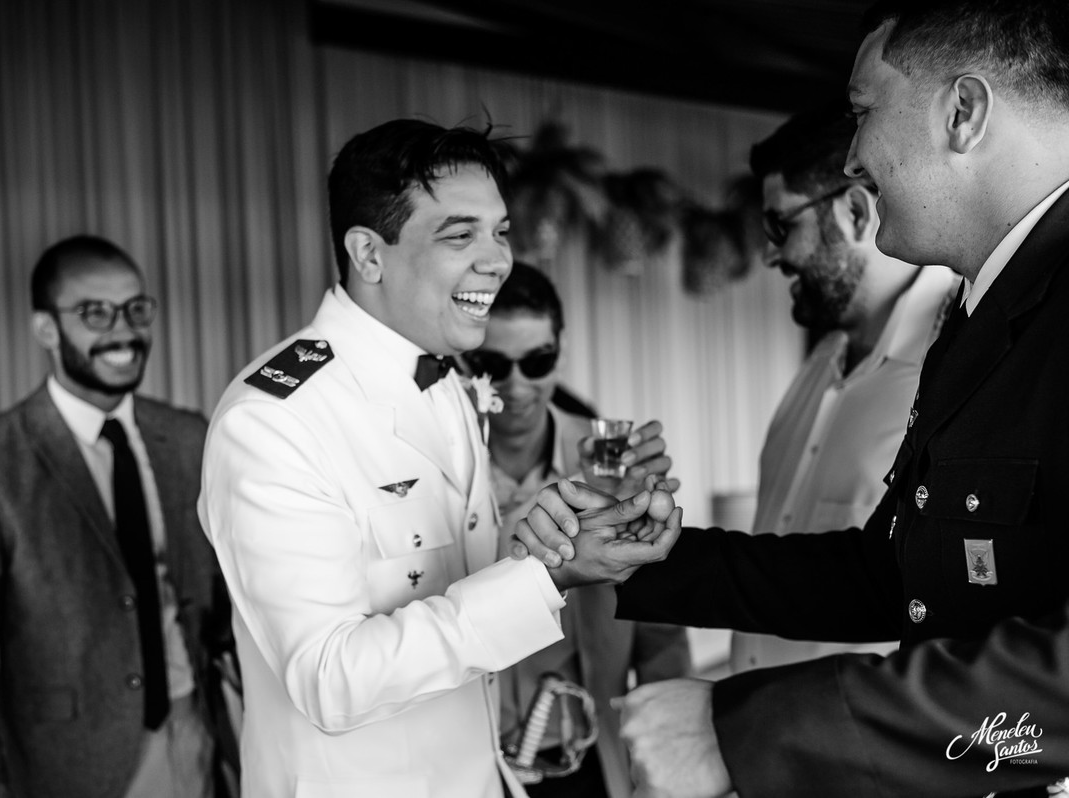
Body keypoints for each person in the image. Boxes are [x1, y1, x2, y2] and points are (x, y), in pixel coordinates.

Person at [512, 1, 1069, 795]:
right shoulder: (981, 312)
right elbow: (895, 576)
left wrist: (747, 730)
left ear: (964, 113)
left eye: (862, 113)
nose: (852, 159)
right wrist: (660, 554)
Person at [197, 119, 676, 798]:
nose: (498, 260)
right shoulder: (274, 421)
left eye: (501, 231)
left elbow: (459, 569)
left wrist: (573, 521)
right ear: (369, 254)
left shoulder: (447, 384)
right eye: (460, 235)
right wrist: (546, 576)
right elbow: (330, 678)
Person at [0, 235, 230, 798]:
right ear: (46, 329)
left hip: (196, 740)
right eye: (95, 312)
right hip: (69, 766)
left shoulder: (189, 436)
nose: (124, 330)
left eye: (137, 308)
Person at [730, 102, 960, 674]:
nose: (769, 253)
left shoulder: (956, 368)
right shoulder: (819, 366)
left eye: (781, 225)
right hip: (755, 733)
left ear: (856, 213)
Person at [467, 261, 692, 798]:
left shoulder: (610, 460)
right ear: (469, 362)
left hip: (590, 761)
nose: (518, 384)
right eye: (496, 363)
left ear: (560, 350)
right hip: (470, 767)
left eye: (537, 360)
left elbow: (660, 627)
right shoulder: (445, 461)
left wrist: (672, 755)